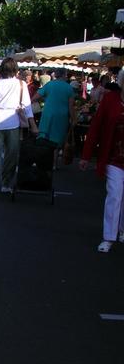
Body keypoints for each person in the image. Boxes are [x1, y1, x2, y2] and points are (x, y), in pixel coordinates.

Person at [79, 82, 124, 252]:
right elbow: (96, 126)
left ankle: (122, 230)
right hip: (113, 158)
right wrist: (86, 156)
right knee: (114, 194)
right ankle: (109, 237)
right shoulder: (110, 99)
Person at [0, 56, 34, 197]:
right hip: (13, 122)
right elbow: (27, 107)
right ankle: (6, 183)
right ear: (15, 70)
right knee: (11, 155)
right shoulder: (21, 84)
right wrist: (32, 125)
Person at [32, 67, 76, 148]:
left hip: (47, 114)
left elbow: (34, 98)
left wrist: (45, 99)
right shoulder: (69, 88)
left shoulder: (49, 84)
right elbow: (71, 107)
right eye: (66, 75)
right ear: (64, 75)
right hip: (61, 117)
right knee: (57, 143)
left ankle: (44, 159)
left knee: (44, 140)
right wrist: (73, 119)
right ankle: (54, 160)